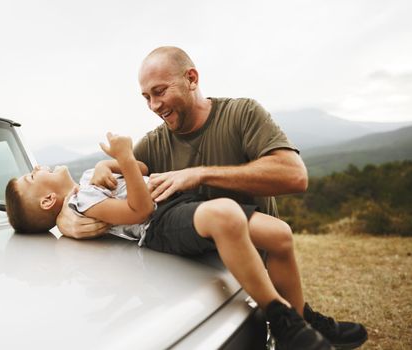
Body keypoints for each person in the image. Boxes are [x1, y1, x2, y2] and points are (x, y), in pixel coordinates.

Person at [57, 46, 368, 349]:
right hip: (203, 267)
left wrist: (200, 174)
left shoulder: (241, 113)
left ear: (192, 79)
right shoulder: (153, 143)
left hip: (261, 253)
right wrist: (66, 216)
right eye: (146, 97)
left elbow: (295, 176)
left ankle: (300, 320)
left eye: (160, 91)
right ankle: (301, 322)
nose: (153, 105)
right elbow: (115, 185)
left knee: (276, 237)